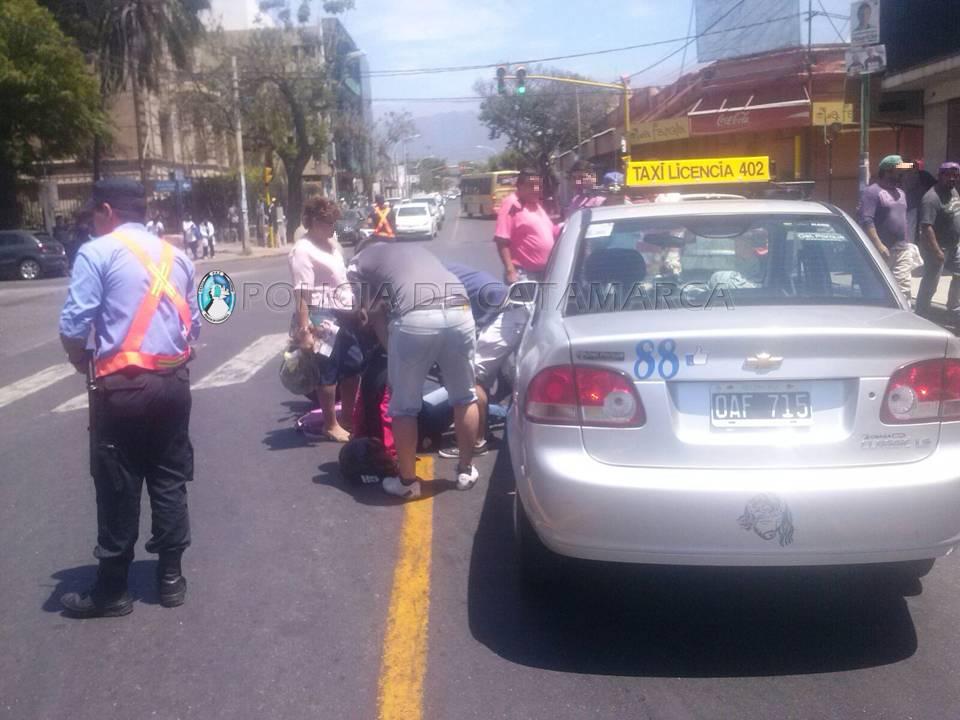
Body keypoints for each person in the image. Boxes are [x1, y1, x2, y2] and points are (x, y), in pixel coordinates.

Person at [57, 179, 201, 618]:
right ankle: (171, 580)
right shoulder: (178, 257)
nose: (91, 222)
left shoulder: (97, 252)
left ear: (107, 211)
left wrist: (79, 360)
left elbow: (74, 325)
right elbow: (193, 325)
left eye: (93, 214)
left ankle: (113, 591)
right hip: (173, 384)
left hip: (121, 390)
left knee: (117, 483)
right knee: (169, 477)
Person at [347, 238, 481, 499]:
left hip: (416, 317)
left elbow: (370, 313)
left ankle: (407, 482)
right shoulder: (415, 251)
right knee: (465, 397)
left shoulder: (358, 263)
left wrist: (391, 350)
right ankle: (466, 470)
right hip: (460, 311)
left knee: (403, 407)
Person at [289, 196, 362, 443]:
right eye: (328, 222)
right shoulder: (303, 250)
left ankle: (348, 417)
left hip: (345, 312)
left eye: (334, 222)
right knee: (327, 371)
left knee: (353, 364)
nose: (333, 227)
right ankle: (330, 425)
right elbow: (302, 292)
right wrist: (304, 330)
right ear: (313, 221)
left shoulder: (331, 246)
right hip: (322, 314)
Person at [437, 262, 521, 460]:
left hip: (505, 314)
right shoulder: (437, 268)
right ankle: (481, 431)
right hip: (505, 310)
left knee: (470, 380)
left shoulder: (431, 279)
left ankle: (475, 442)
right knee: (476, 378)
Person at [858, 155, 915, 302]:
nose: (903, 174)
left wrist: (908, 242)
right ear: (888, 171)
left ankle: (904, 313)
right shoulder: (872, 192)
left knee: (902, 289)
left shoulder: (901, 193)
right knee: (878, 290)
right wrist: (879, 245)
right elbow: (867, 220)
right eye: (899, 171)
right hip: (882, 250)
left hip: (902, 249)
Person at [494, 170, 561, 284]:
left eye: (539, 186)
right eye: (531, 185)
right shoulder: (511, 204)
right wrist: (510, 270)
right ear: (519, 186)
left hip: (544, 272)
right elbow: (501, 240)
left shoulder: (535, 204)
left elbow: (548, 231)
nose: (536, 189)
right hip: (524, 274)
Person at [916, 162, 960, 317]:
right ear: (940, 176)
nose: (952, 178)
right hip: (936, 248)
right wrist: (937, 251)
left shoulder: (953, 191)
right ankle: (921, 313)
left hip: (954, 246)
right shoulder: (931, 198)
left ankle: (954, 307)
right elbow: (926, 227)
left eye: (956, 176)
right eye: (948, 175)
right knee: (931, 283)